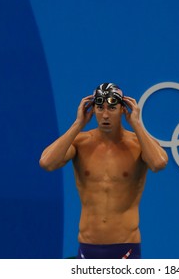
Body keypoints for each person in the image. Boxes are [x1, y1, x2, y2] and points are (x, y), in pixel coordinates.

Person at [39, 83, 168, 259]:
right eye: (100, 108)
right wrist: (77, 124)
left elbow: (158, 163)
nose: (105, 115)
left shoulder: (137, 144)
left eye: (112, 108)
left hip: (126, 248)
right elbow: (47, 163)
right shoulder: (81, 142)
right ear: (93, 110)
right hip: (87, 246)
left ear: (123, 110)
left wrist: (137, 124)